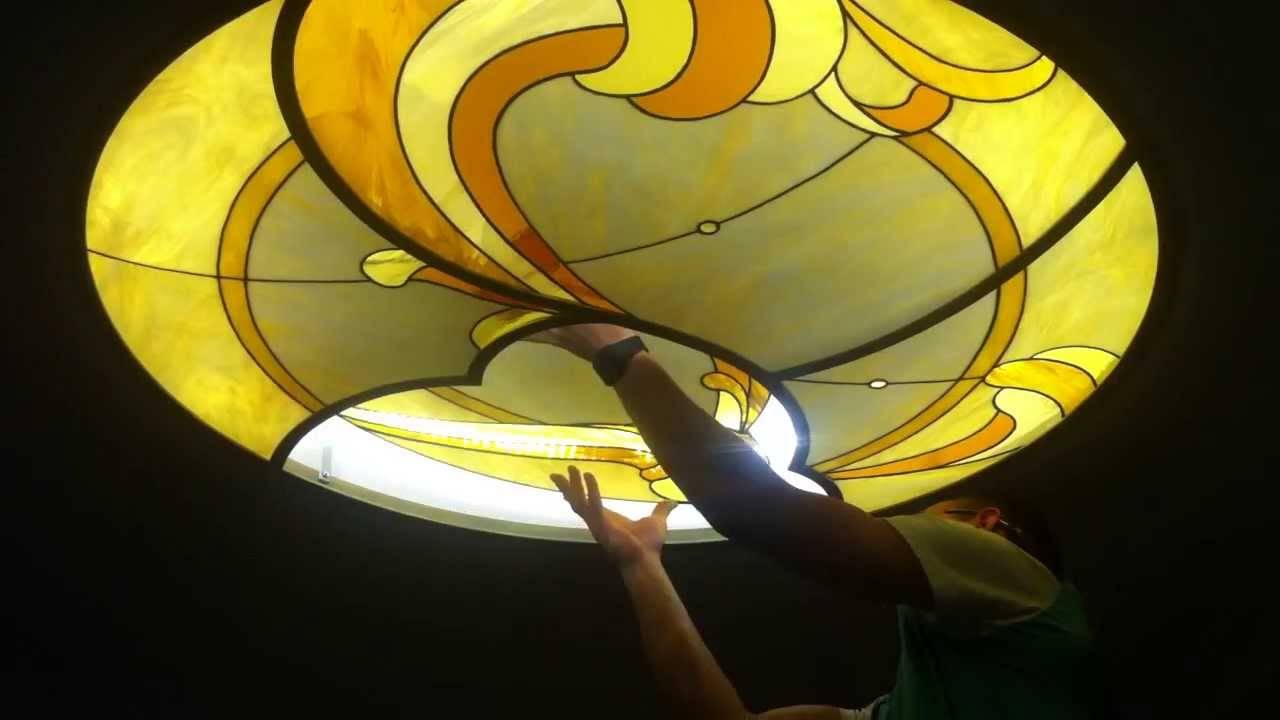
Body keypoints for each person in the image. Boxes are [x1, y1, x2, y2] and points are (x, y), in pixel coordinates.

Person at [534, 324, 1096, 719]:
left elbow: (754, 507)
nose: (901, 536)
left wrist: (618, 353)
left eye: (922, 526)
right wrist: (640, 564)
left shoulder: (1017, 580)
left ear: (987, 523)